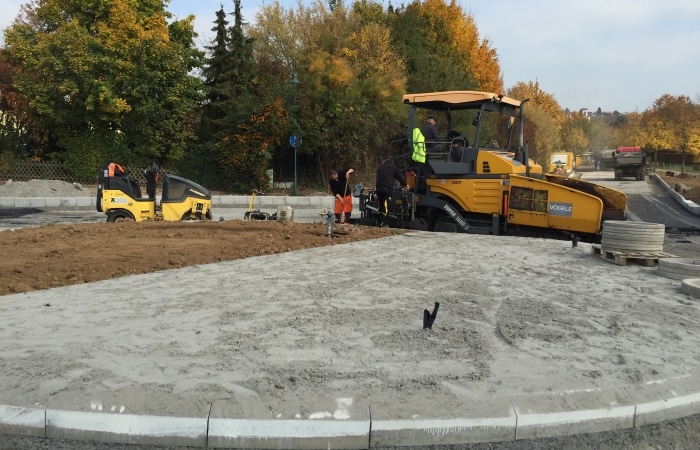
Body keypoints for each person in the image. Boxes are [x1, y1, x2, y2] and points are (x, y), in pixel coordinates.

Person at [375, 158, 408, 227]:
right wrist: (405, 184)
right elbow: (400, 177)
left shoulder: (380, 167)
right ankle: (382, 223)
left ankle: (378, 222)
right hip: (387, 190)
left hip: (378, 189)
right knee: (386, 207)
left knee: (380, 206)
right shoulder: (393, 167)